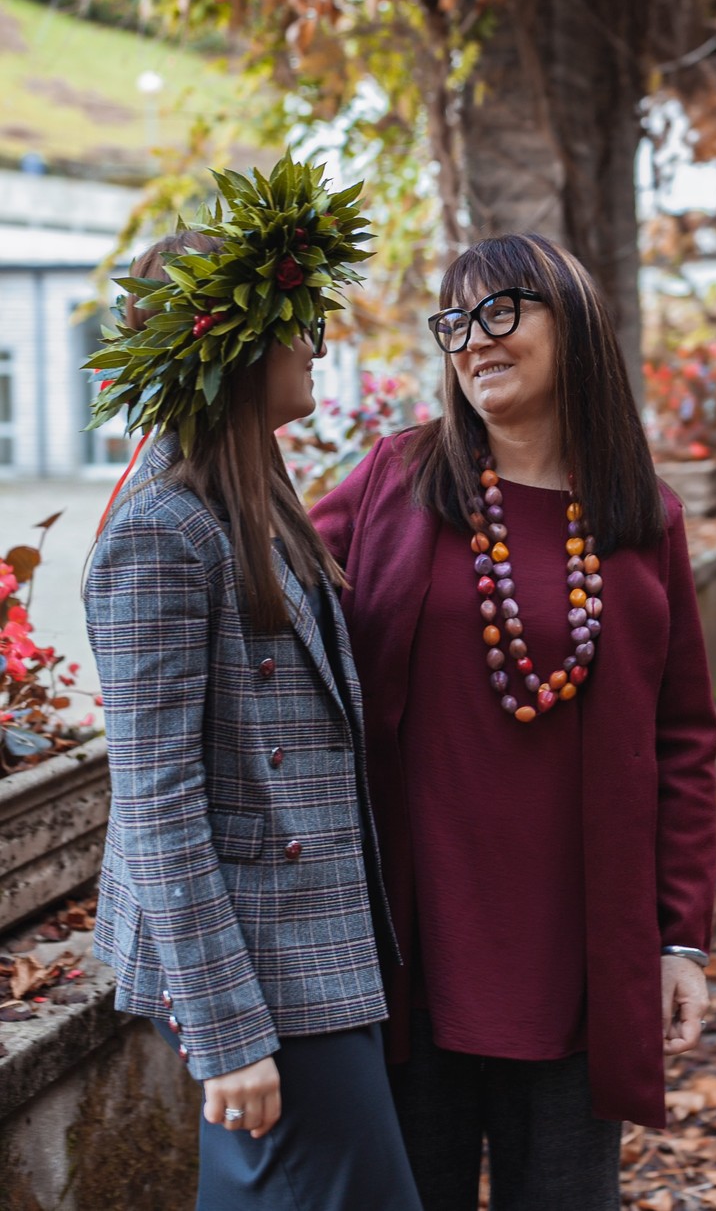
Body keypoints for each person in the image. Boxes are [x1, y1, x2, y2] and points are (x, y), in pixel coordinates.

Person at [311, 233, 716, 1211]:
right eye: (455, 322)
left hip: (580, 963)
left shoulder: (640, 517)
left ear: (570, 323)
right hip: (414, 952)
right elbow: (261, 584)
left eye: (501, 312)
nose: (473, 341)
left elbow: (683, 740)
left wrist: (680, 940)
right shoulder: (394, 483)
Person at [83, 156, 423, 1211]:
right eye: (296, 319)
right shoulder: (161, 532)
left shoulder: (255, 502)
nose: (317, 342)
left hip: (313, 948)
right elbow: (158, 803)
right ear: (230, 348)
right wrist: (230, 1034)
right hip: (258, 980)